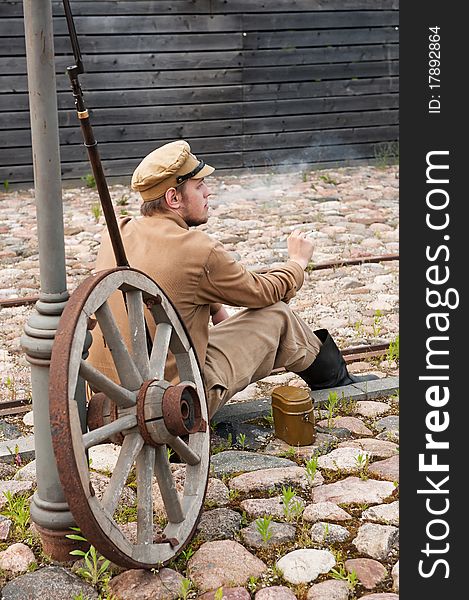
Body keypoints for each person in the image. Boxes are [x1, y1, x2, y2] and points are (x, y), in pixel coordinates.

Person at [88, 140, 375, 418]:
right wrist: (297, 264)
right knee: (277, 316)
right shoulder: (198, 249)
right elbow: (263, 292)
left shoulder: (117, 233)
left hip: (108, 400)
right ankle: (336, 382)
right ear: (173, 198)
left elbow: (169, 284)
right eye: (199, 187)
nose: (208, 193)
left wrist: (213, 306)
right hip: (171, 404)